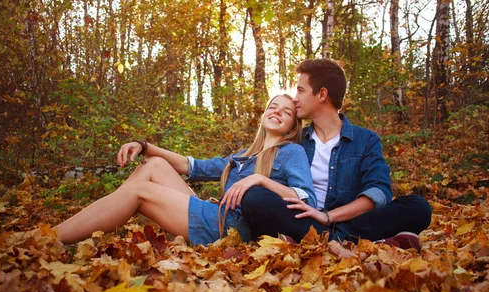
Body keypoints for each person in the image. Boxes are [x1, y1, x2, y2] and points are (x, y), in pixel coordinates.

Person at [54, 94, 317, 246]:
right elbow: (190, 166)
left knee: (141, 192)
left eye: (286, 112)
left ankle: (50, 239)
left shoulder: (291, 152)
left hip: (235, 229)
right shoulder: (242, 156)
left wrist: (260, 180)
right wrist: (144, 146)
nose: (277, 112)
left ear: (293, 126)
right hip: (218, 215)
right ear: (264, 114)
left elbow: (307, 198)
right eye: (273, 107)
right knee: (155, 165)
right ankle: (88, 227)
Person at [240, 59, 432, 250]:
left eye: (300, 90)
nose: (295, 99)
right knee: (254, 197)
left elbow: (379, 193)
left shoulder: (366, 140)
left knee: (418, 207)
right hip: (302, 220)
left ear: (322, 94)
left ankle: (327, 238)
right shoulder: (295, 142)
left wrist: (328, 217)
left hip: (349, 221)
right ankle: (352, 240)